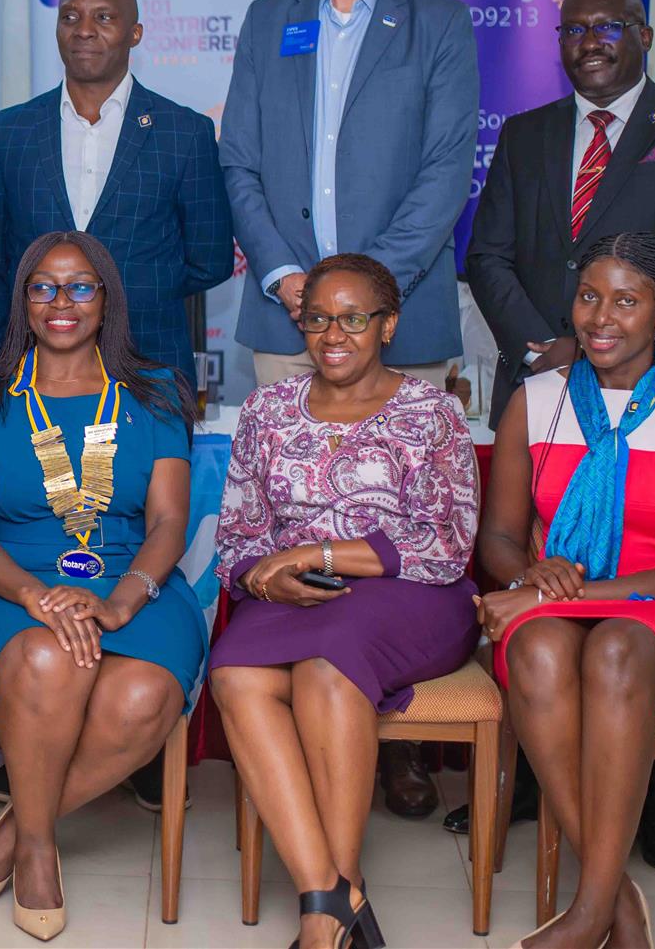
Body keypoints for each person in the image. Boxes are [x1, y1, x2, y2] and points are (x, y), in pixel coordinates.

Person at [218, 0, 479, 815]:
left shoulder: (437, 23)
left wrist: (365, 300)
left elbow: (445, 172)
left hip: (398, 320)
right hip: (285, 310)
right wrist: (293, 279)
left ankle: (388, 734)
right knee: (289, 521)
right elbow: (240, 161)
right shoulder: (269, 20)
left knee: (394, 523)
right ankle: (295, 736)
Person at [460, 0, 655, 864]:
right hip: (547, 376)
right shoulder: (528, 132)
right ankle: (539, 780)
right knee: (534, 557)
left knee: (645, 588)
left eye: (609, 26)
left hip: (651, 385)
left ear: (643, 34)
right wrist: (555, 349)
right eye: (574, 27)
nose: (589, 40)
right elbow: (487, 254)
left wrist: (613, 338)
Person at [207, 253, 480, 949]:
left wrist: (314, 554)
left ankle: (324, 913)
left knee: (327, 668)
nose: (333, 334)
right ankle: (333, 894)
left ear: (388, 325)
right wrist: (264, 577)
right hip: (296, 599)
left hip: (412, 596)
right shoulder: (268, 411)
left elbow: (445, 543)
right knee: (235, 673)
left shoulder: (433, 412)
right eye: (318, 318)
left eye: (354, 319)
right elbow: (238, 537)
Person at [475, 234, 655, 949]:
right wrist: (528, 576)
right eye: (590, 296)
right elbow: (497, 538)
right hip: (560, 607)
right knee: (536, 649)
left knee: (615, 648)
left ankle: (589, 914)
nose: (600, 317)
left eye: (626, 300)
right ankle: (614, 904)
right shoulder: (536, 399)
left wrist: (548, 596)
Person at [0, 231, 208, 942]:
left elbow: (168, 521)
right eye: (43, 286)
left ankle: (15, 830)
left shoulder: (156, 395)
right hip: (8, 583)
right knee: (47, 654)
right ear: (23, 301)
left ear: (107, 300)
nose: (61, 301)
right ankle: (35, 852)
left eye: (81, 286)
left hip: (134, 580)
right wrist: (33, 596)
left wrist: (120, 600)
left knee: (144, 696)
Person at [0, 0, 233, 388]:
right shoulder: (11, 130)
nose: (84, 30)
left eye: (104, 18)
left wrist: (132, 289)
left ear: (135, 33)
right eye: (70, 17)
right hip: (31, 370)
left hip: (149, 365)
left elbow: (210, 260)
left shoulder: (184, 133)